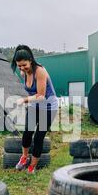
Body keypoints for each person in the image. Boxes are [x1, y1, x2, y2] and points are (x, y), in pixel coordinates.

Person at [11, 45, 59, 174]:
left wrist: (24, 100)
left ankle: (32, 166)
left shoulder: (40, 71)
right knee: (27, 131)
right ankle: (24, 157)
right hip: (34, 106)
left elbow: (41, 96)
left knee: (38, 137)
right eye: (19, 65)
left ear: (30, 60)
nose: (22, 68)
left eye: (24, 65)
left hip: (48, 107)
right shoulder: (23, 73)